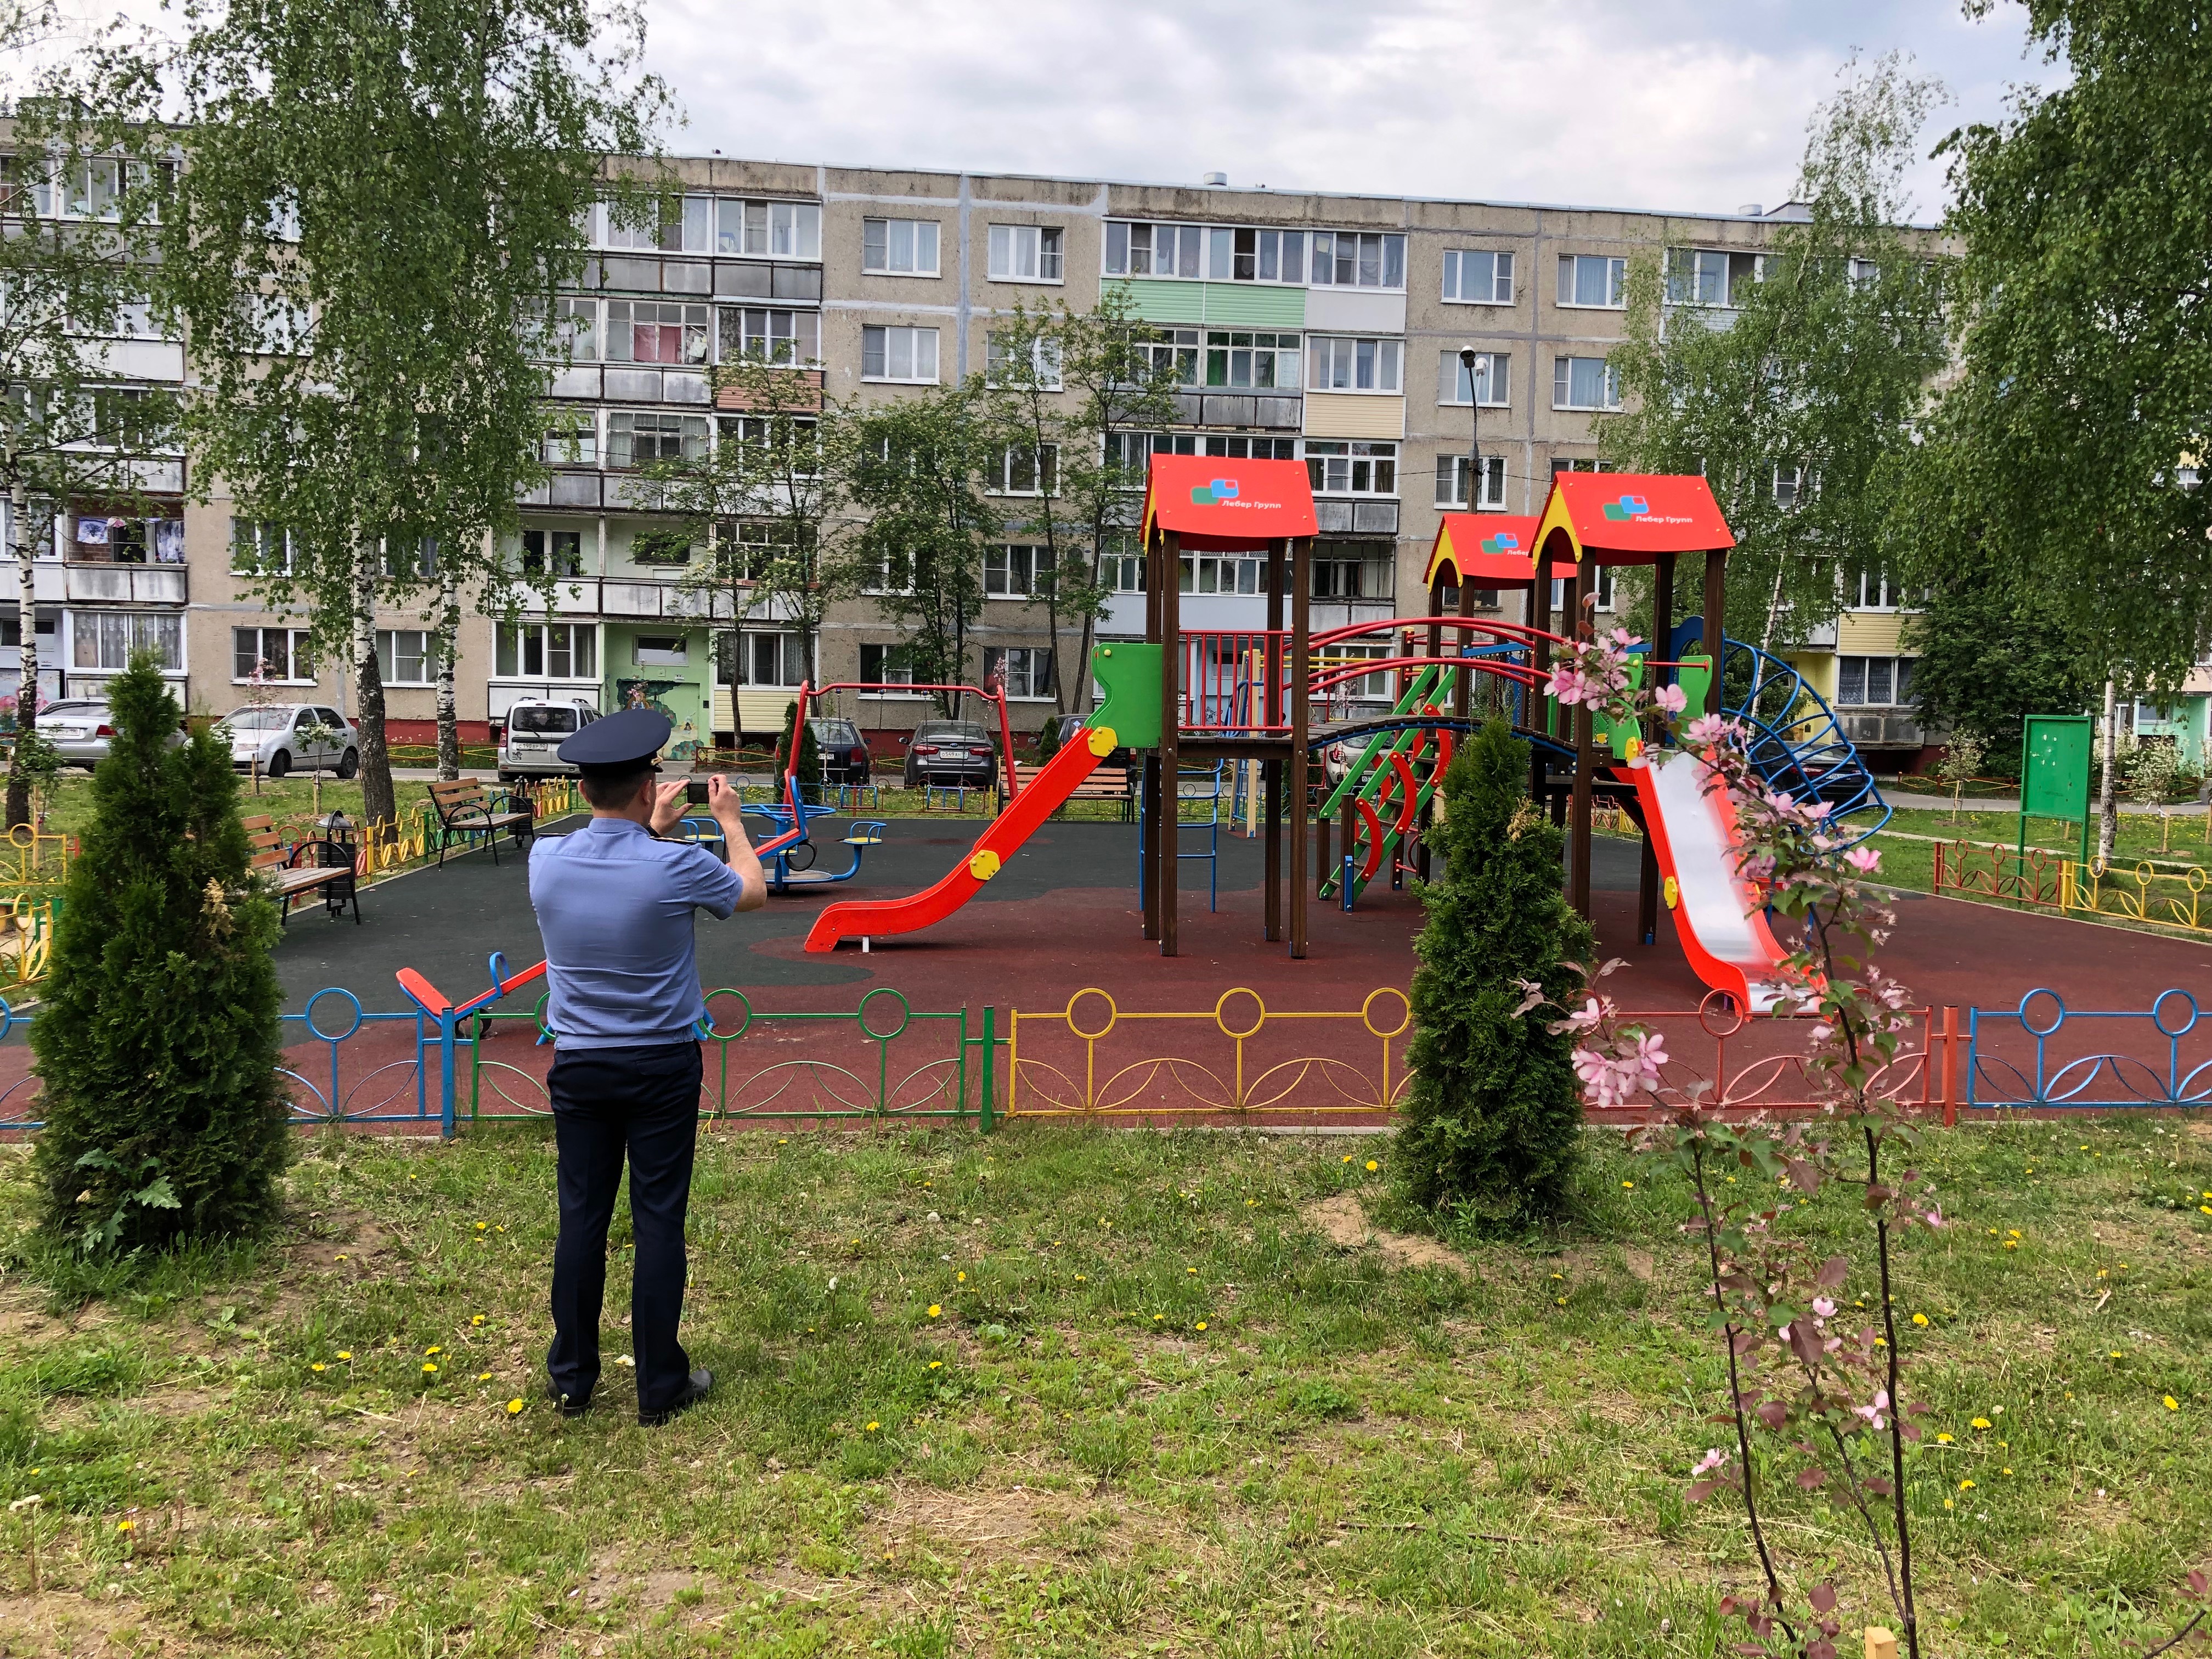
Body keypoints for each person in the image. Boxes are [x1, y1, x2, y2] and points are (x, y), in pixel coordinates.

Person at [528, 707, 766, 1424]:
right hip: (661, 1065)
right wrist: (730, 823)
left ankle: (572, 1379)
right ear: (645, 788)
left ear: (582, 790)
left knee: (582, 1218)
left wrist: (646, 829)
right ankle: (660, 1386)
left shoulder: (546, 860)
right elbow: (751, 892)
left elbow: (618, 869)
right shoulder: (678, 866)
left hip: (580, 1063)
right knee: (658, 1218)